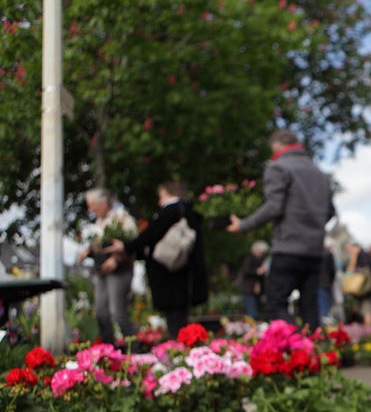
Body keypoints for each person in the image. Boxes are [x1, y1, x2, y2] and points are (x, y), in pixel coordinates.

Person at [227, 129, 335, 330]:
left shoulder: (278, 167)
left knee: (276, 302)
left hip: (289, 247)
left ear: (276, 145)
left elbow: (274, 206)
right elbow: (330, 212)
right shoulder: (320, 174)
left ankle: (293, 344)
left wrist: (243, 224)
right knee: (310, 306)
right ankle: (314, 345)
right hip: (314, 250)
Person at [107, 181, 208, 337]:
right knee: (179, 318)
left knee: (175, 322)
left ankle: (179, 347)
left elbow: (150, 234)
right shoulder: (186, 211)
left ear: (170, 193)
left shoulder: (171, 211)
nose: (160, 201)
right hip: (183, 278)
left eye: (162, 196)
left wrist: (126, 247)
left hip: (170, 276)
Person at [77, 188, 138, 344]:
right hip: (102, 272)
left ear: (104, 203)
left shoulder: (123, 218)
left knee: (117, 312)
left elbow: (132, 245)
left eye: (93, 205)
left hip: (119, 271)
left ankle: (134, 349)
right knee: (101, 313)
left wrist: (116, 259)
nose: (91, 209)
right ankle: (108, 349)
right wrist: (90, 252)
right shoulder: (100, 222)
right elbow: (102, 247)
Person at [344, 241, 371, 326]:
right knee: (364, 309)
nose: (349, 251)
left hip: (366, 289)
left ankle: (368, 329)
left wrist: (354, 258)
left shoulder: (362, 256)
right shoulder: (362, 256)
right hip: (365, 289)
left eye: (349, 248)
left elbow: (362, 272)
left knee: (367, 309)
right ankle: (367, 328)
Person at [238, 240, 269, 320]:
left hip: (255, 290)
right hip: (249, 289)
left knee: (256, 313)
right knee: (253, 314)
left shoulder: (259, 260)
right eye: (262, 252)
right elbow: (246, 271)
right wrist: (258, 271)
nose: (262, 254)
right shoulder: (250, 259)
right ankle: (252, 327)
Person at [319, 241, 337, 324]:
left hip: (317, 282)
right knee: (325, 303)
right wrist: (332, 280)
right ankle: (324, 322)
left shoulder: (316, 254)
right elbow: (332, 270)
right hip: (326, 282)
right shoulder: (329, 255)